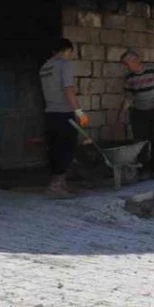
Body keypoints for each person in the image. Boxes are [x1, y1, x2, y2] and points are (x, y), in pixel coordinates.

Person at [39, 38, 87, 198]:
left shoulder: (45, 67)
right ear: (68, 50)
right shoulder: (64, 65)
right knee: (66, 148)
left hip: (50, 113)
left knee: (54, 149)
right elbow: (68, 89)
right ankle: (55, 188)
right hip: (64, 113)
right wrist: (79, 112)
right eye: (70, 53)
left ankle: (60, 185)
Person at [119, 50, 154, 179]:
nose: (128, 66)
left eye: (129, 62)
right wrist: (122, 114)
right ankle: (143, 169)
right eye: (126, 64)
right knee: (140, 141)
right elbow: (128, 98)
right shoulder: (129, 78)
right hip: (139, 111)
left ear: (136, 60)